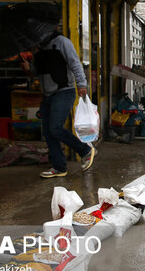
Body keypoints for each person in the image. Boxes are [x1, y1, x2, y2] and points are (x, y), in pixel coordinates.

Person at [19, 30, 96, 178]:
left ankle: (85, 150)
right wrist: (29, 68)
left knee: (55, 128)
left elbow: (75, 63)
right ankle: (59, 167)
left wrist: (81, 84)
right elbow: (37, 72)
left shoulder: (62, 42)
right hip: (47, 95)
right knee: (48, 132)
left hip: (64, 92)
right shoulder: (38, 48)